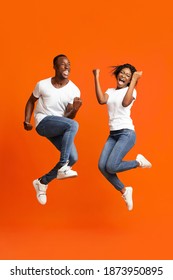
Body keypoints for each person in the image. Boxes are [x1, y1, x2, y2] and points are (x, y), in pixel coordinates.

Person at [24, 54, 82, 205]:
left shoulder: (74, 90)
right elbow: (31, 101)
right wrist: (27, 120)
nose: (67, 67)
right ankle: (63, 166)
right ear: (55, 67)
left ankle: (42, 182)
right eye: (63, 64)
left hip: (59, 126)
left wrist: (75, 110)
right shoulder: (42, 84)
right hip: (43, 122)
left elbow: (68, 118)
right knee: (73, 127)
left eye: (68, 64)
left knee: (73, 158)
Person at [92, 64, 152, 211]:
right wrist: (96, 77)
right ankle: (125, 191)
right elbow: (101, 100)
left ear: (130, 80)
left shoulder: (132, 91)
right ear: (118, 74)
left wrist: (133, 82)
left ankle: (138, 162)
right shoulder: (110, 91)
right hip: (113, 134)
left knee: (111, 166)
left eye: (128, 76)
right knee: (102, 166)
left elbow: (125, 103)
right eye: (122, 73)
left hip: (126, 133)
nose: (124, 76)